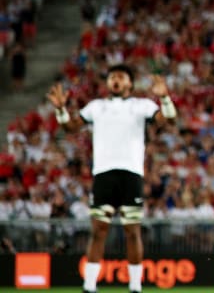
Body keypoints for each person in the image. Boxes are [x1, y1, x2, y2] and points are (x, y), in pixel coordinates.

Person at [46, 64, 177, 293]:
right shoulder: (97, 107)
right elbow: (70, 127)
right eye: (112, 77)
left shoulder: (141, 105)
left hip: (131, 173)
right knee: (98, 231)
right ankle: (89, 286)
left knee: (132, 231)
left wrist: (165, 98)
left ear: (129, 83)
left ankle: (135, 287)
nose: (115, 80)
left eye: (121, 77)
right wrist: (61, 111)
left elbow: (168, 120)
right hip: (103, 173)